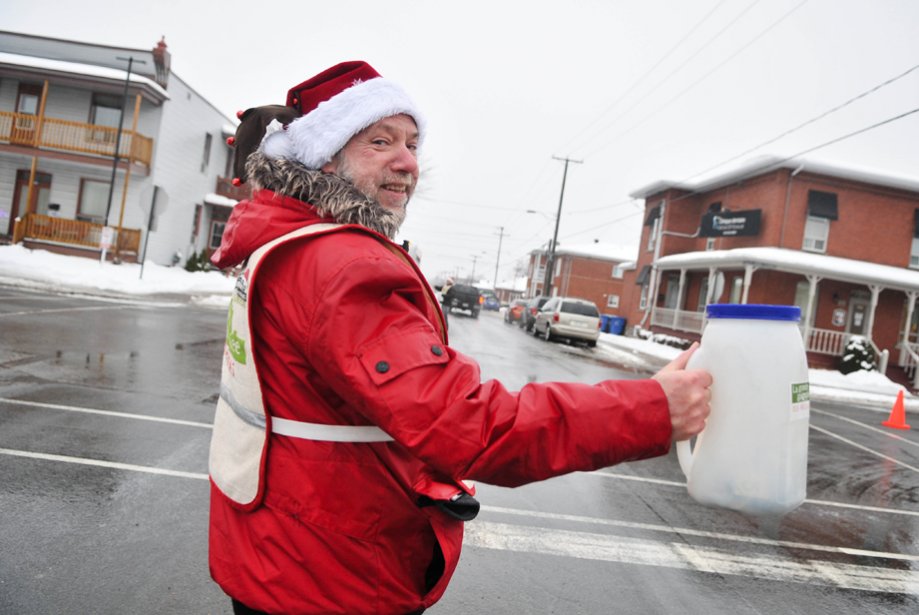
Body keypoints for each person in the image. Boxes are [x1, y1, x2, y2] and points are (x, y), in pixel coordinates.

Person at [207, 60, 712, 615]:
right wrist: (652, 409)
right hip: (331, 580)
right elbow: (466, 426)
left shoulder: (288, 242)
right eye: (380, 141)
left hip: (280, 555)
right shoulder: (340, 266)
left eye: (413, 144)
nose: (408, 162)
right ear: (325, 155)